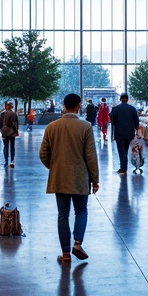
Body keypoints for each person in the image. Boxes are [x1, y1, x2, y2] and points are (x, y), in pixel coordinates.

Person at [40, 93, 99, 264]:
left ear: (64, 106)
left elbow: (43, 153)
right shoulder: (85, 127)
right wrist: (95, 179)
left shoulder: (52, 127)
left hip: (60, 177)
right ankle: (77, 243)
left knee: (62, 214)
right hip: (81, 177)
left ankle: (65, 254)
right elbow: (91, 156)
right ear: (79, 106)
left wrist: (55, 167)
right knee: (81, 210)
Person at [110, 93, 140, 175]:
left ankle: (123, 168)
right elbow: (136, 121)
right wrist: (135, 129)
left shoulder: (115, 109)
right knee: (125, 150)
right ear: (127, 99)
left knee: (121, 151)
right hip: (129, 133)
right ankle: (124, 167)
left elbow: (113, 122)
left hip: (119, 133)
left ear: (120, 99)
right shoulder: (132, 109)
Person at [0, 100, 19, 167]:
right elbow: (16, 123)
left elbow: (1, 124)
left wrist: (2, 132)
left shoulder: (2, 114)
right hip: (12, 132)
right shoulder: (14, 114)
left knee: (6, 146)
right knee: (12, 146)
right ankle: (12, 160)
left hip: (5, 132)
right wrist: (16, 130)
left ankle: (6, 161)